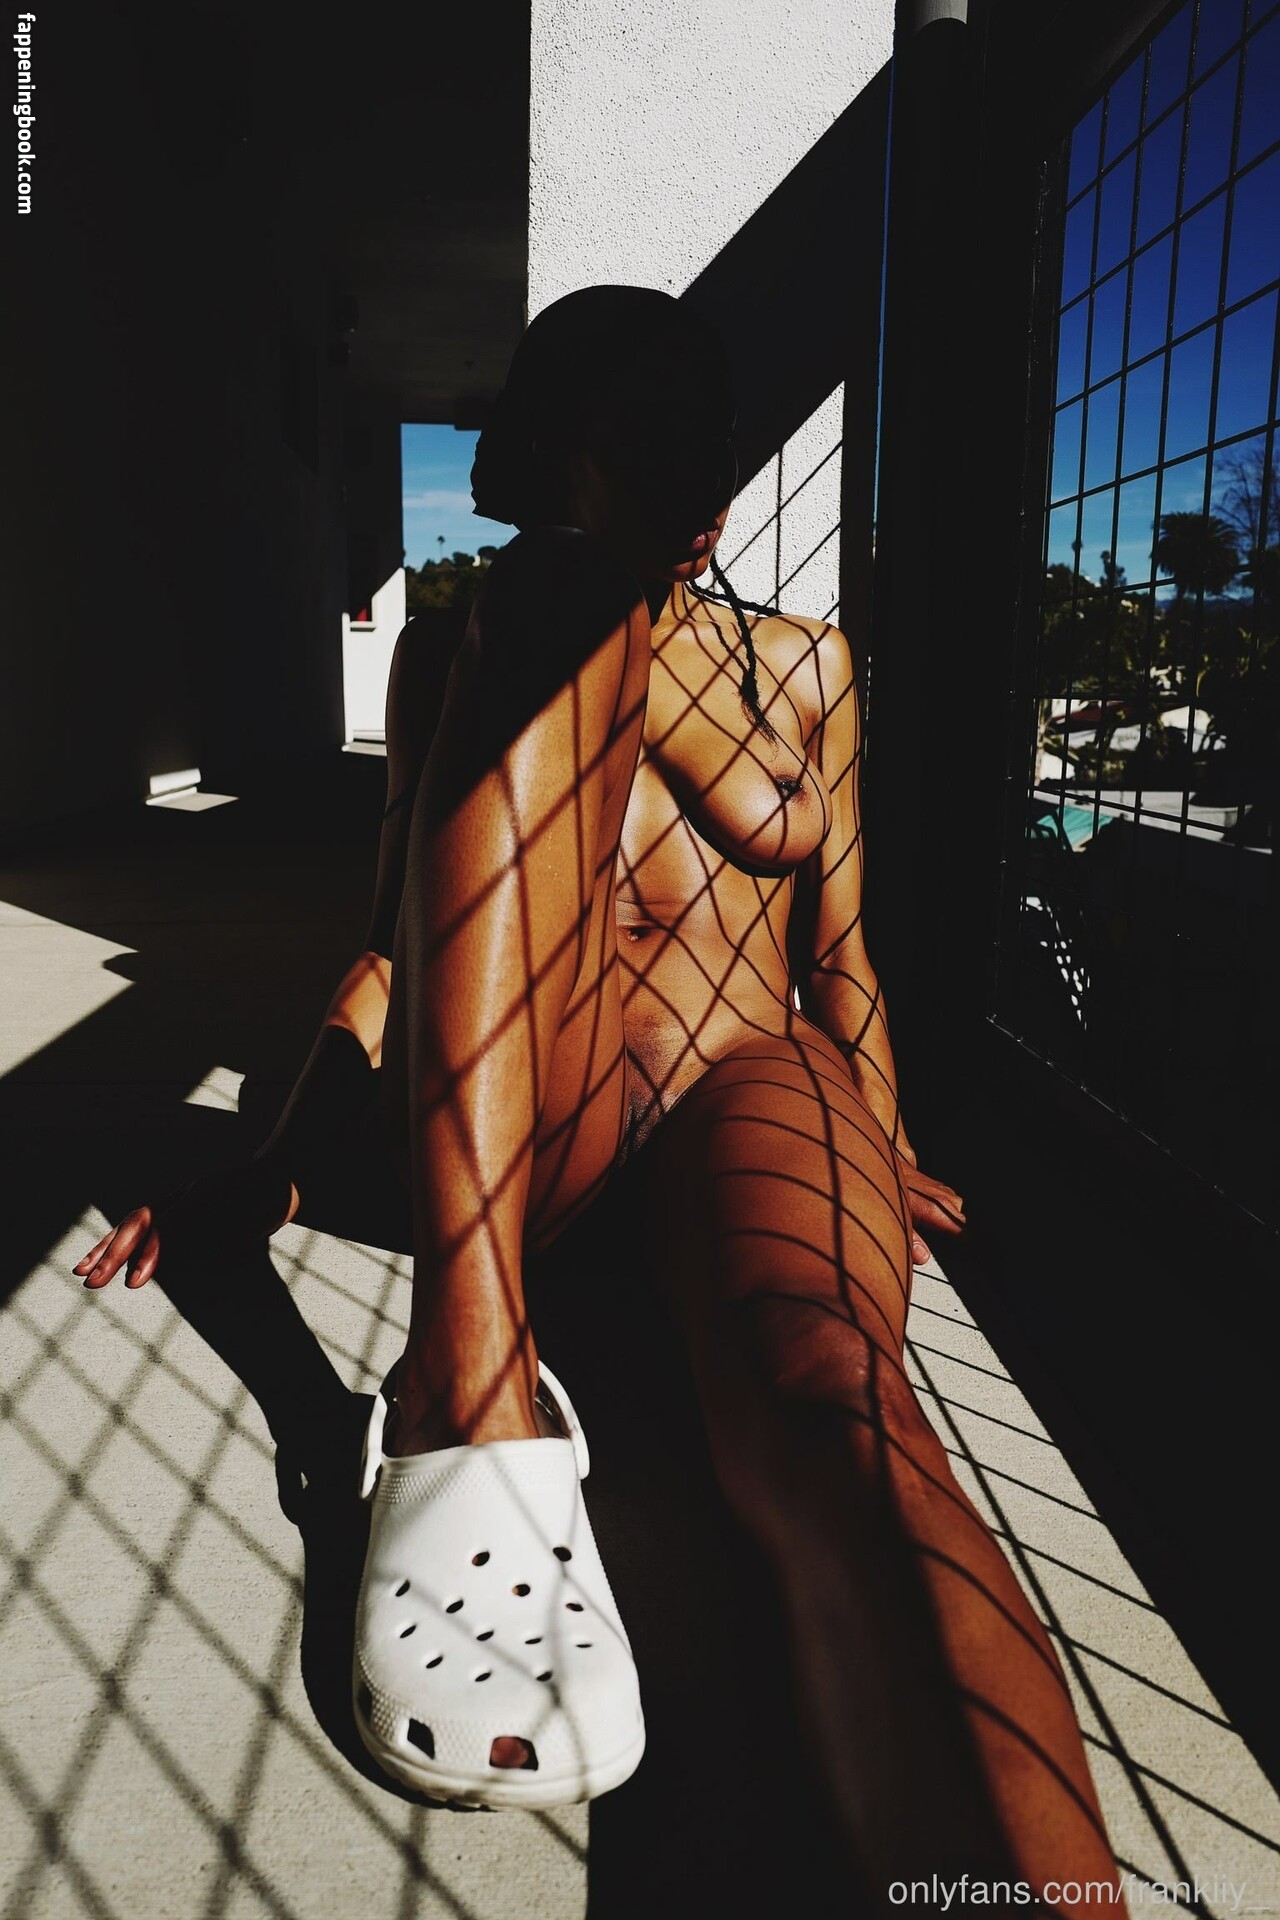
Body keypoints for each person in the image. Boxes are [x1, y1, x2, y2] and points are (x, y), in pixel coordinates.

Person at [77, 287, 1120, 1907]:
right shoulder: (464, 646)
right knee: (551, 605)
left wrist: (878, 1137)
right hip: (542, 1127)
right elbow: (394, 952)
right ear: (554, 453)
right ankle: (465, 1381)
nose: (693, 480)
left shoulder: (808, 667)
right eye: (642, 438)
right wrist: (274, 1164)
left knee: (830, 1391)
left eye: (706, 439)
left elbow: (840, 954)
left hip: (746, 1086)